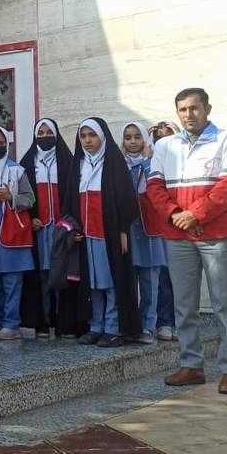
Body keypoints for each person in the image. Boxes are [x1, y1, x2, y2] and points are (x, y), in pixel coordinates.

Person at [148, 88, 227, 395]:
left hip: (217, 235)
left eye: (194, 108)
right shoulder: (165, 145)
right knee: (184, 305)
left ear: (207, 109)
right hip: (178, 235)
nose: (188, 114)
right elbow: (154, 186)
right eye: (182, 109)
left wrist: (196, 214)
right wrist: (176, 214)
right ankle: (191, 365)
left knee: (224, 304)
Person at [63, 118, 141, 347]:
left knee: (111, 281)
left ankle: (113, 327)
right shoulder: (79, 165)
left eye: (92, 135)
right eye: (83, 136)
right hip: (86, 237)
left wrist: (123, 230)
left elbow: (127, 200)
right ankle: (96, 326)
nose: (87, 140)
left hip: (109, 236)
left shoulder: (114, 163)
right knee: (92, 283)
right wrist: (72, 229)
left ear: (103, 136)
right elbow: (70, 201)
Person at [19, 119, 79, 338]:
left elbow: (75, 195)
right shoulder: (27, 163)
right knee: (43, 275)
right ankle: (43, 321)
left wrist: (70, 223)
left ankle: (65, 323)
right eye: (41, 132)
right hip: (40, 230)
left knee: (63, 274)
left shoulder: (68, 161)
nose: (44, 136)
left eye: (48, 132)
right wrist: (31, 218)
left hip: (62, 230)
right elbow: (22, 196)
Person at [0, 127, 37, 341]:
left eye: (0, 143)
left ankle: (11, 324)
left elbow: (30, 199)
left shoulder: (18, 170)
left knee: (12, 282)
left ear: (7, 145)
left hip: (13, 233)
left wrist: (10, 197)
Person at [121, 122, 168, 345]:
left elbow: (156, 188)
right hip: (129, 230)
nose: (133, 142)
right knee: (129, 282)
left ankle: (149, 326)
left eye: (137, 137)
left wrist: (149, 161)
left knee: (150, 282)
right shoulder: (119, 165)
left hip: (149, 230)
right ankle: (131, 325)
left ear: (145, 140)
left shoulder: (154, 162)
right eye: (128, 137)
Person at [148, 121, 179, 341]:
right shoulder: (149, 163)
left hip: (179, 225)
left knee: (179, 278)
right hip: (155, 228)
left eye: (168, 137)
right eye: (158, 138)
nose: (163, 142)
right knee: (161, 278)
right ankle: (163, 322)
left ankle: (178, 322)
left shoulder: (183, 161)